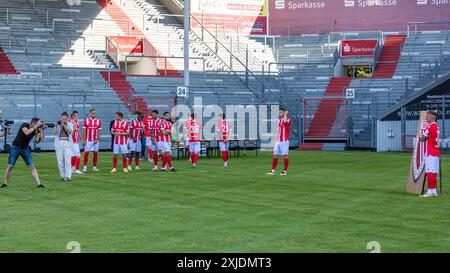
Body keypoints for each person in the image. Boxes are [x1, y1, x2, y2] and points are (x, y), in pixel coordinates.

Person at [1, 118, 46, 188]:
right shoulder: (24, 125)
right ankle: (5, 184)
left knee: (32, 166)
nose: (39, 124)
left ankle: (39, 184)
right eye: (37, 123)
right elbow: (27, 132)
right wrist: (36, 126)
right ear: (33, 123)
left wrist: (42, 130)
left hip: (25, 149)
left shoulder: (36, 130)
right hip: (15, 147)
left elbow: (41, 140)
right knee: (10, 166)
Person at [419, 110, 441, 198]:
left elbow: (422, 138)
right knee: (434, 172)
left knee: (429, 172)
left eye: (427, 116)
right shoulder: (437, 126)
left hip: (431, 152)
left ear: (432, 117)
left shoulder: (430, 127)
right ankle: (433, 191)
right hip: (436, 151)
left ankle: (429, 191)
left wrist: (421, 137)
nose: (426, 118)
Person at [267, 107, 291, 176]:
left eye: (280, 112)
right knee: (275, 155)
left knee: (285, 155)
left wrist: (286, 114)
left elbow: (285, 121)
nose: (279, 113)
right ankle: (273, 170)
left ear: (284, 112)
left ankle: (284, 171)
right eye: (279, 112)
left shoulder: (288, 119)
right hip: (278, 141)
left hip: (284, 141)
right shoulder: (279, 120)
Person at [53, 112, 75, 182]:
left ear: (68, 119)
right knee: (60, 161)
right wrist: (56, 125)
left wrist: (64, 126)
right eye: (63, 118)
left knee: (68, 161)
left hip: (67, 144)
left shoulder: (70, 124)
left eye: (65, 118)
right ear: (61, 118)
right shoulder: (58, 125)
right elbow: (54, 133)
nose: (64, 120)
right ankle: (63, 176)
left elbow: (70, 131)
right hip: (59, 143)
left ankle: (68, 176)